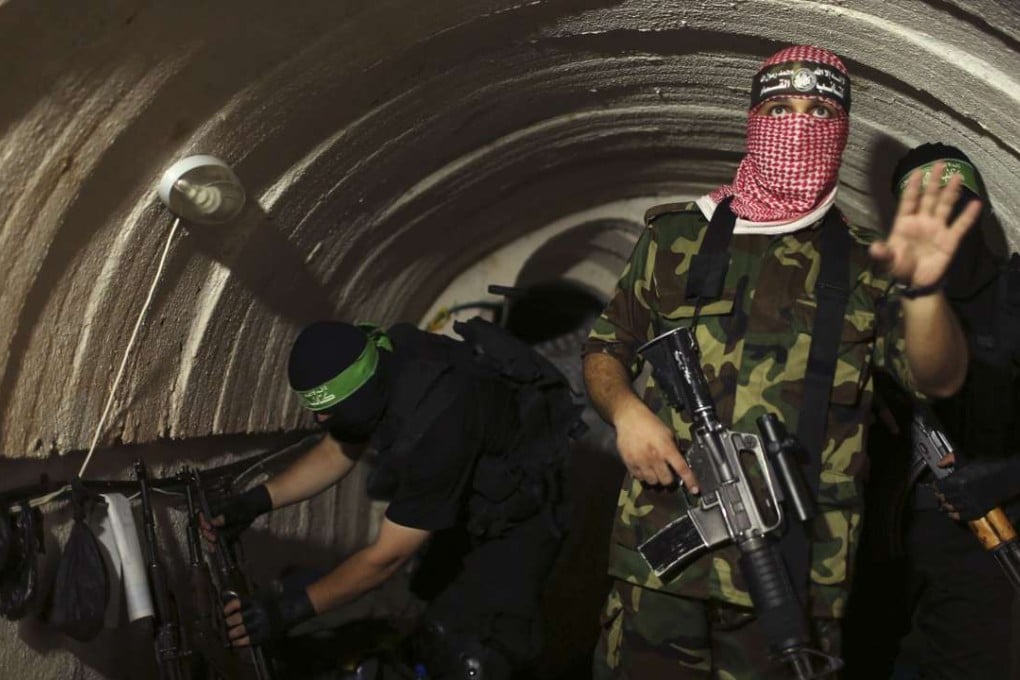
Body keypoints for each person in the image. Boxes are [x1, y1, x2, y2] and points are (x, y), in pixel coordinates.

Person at [582, 45, 981, 678]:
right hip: (660, 564)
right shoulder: (676, 237)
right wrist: (625, 410)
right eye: (779, 107)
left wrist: (925, 292)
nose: (798, 125)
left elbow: (939, 378)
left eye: (820, 110)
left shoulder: (865, 268)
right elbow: (607, 346)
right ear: (753, 118)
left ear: (842, 131)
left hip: (795, 573)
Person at [202, 317, 579, 678]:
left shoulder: (434, 424)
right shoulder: (384, 357)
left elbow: (386, 558)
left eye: (328, 411)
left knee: (478, 652)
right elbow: (336, 451)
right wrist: (254, 502)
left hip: (521, 517)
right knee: (431, 613)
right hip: (471, 498)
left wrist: (287, 612)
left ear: (358, 395)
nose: (319, 421)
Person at [845, 143, 1020, 679]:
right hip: (888, 553)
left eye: (955, 206)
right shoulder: (884, 306)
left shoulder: (1016, 293)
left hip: (988, 549)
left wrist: (1009, 476)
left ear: (981, 212)